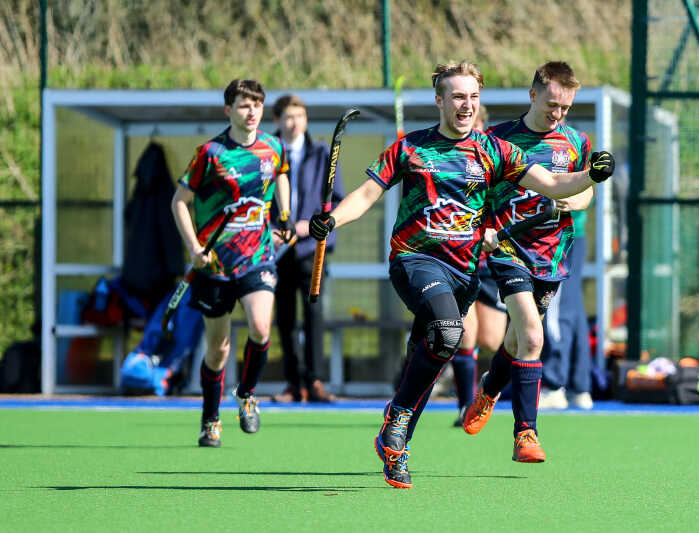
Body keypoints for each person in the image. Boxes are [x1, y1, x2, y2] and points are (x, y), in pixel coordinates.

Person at [309, 61, 613, 488]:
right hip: (415, 259)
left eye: (472, 97)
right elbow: (365, 195)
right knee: (450, 332)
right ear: (440, 101)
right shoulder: (410, 148)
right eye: (457, 97)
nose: (466, 105)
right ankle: (399, 418)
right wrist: (332, 220)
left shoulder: (495, 151)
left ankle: (395, 445)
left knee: (429, 350)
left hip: (465, 270)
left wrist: (591, 174)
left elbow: (553, 184)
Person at [461, 61, 598, 462]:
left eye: (566, 108)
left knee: (517, 340)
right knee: (534, 338)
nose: (558, 114)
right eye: (552, 104)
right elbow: (476, 191)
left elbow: (586, 187)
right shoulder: (498, 138)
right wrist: (482, 227)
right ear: (533, 94)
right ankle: (526, 434)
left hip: (552, 253)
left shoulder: (575, 141)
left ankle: (488, 390)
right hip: (507, 249)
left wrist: (578, 197)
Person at [171, 79, 293, 447]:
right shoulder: (210, 154)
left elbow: (281, 174)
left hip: (257, 256)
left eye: (256, 104)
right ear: (228, 111)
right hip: (215, 265)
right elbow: (180, 201)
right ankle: (210, 419)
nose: (251, 111)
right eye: (243, 105)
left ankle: (247, 392)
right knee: (218, 348)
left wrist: (284, 215)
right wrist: (194, 247)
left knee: (260, 327)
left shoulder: (273, 147)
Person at [270, 94, 343, 403]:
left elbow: (335, 201)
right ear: (277, 121)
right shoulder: (266, 151)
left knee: (314, 316)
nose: (294, 122)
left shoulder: (322, 152)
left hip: (311, 249)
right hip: (274, 249)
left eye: (299, 115)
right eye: (288, 116)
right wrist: (269, 230)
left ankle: (315, 381)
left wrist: (309, 226)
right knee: (284, 318)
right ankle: (292, 383)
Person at [446, 104, 509, 426]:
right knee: (464, 335)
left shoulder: (496, 160)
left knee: (493, 340)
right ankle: (464, 405)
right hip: (461, 262)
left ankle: (486, 390)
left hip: (491, 264)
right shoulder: (451, 161)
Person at [538, 201, 594, 410]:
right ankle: (579, 387)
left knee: (557, 308)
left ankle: (554, 386)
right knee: (572, 308)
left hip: (560, 235)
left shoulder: (574, 166)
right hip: (567, 234)